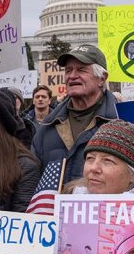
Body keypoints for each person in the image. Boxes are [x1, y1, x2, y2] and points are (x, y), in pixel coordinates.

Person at [33, 44, 119, 184]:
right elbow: (32, 181)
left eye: (81, 70)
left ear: (102, 78)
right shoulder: (48, 127)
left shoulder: (121, 121)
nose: (72, 76)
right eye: (68, 70)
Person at [63, 120, 134, 195]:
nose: (93, 168)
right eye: (90, 158)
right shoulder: (65, 207)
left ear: (133, 175)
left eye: (107, 160)